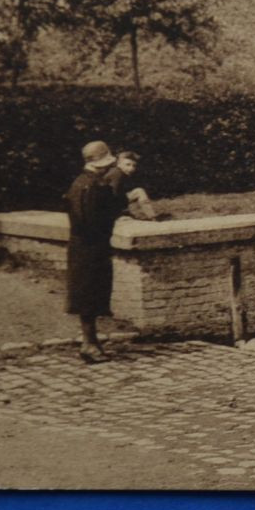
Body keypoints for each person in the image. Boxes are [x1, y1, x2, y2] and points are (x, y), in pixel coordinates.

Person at [65, 140, 125, 363]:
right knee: (88, 297)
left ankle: (91, 342)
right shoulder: (90, 186)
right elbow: (90, 220)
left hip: (86, 247)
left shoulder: (83, 182)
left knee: (90, 296)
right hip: (90, 248)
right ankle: (89, 344)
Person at [104, 150, 158, 221]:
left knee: (139, 191)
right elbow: (112, 195)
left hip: (112, 202)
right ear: (118, 164)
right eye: (128, 164)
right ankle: (152, 218)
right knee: (139, 192)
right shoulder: (117, 174)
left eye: (134, 165)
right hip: (104, 206)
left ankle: (152, 217)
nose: (131, 168)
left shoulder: (122, 173)